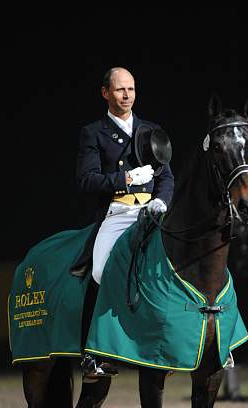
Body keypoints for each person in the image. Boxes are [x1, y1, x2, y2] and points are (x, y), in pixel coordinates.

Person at [75, 66, 174, 376]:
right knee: (101, 270)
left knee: (174, 270)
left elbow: (167, 176)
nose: (127, 95)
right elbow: (87, 180)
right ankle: (90, 352)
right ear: (106, 93)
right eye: (120, 89)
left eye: (131, 89)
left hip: (151, 211)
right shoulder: (94, 133)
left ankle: (168, 347)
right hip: (118, 212)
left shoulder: (151, 130)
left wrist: (162, 200)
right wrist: (126, 178)